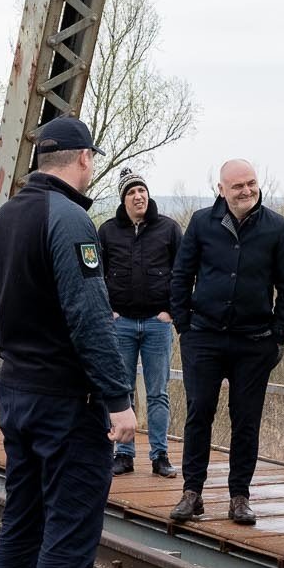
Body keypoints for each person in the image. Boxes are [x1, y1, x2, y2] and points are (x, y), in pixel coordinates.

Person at [0, 116, 138, 568]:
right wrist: (118, 400)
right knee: (70, 531)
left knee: (21, 523)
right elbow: (89, 318)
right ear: (83, 160)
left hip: (19, 394)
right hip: (66, 404)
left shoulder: (4, 218)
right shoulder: (70, 219)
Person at [167, 159, 284, 527]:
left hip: (254, 342)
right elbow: (181, 275)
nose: (246, 191)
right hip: (204, 338)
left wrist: (278, 334)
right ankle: (191, 492)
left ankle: (239, 496)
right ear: (221, 189)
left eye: (251, 183)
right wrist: (185, 327)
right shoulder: (201, 222)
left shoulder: (277, 226)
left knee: (246, 421)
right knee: (199, 414)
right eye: (237, 185)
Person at [97, 172, 180, 479]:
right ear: (124, 198)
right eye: (132, 191)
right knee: (123, 390)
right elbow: (95, 276)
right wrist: (109, 312)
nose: (138, 196)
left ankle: (160, 455)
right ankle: (124, 454)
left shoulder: (168, 228)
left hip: (157, 324)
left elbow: (184, 272)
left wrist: (171, 311)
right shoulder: (107, 231)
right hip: (121, 324)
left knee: (158, 392)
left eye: (142, 190)